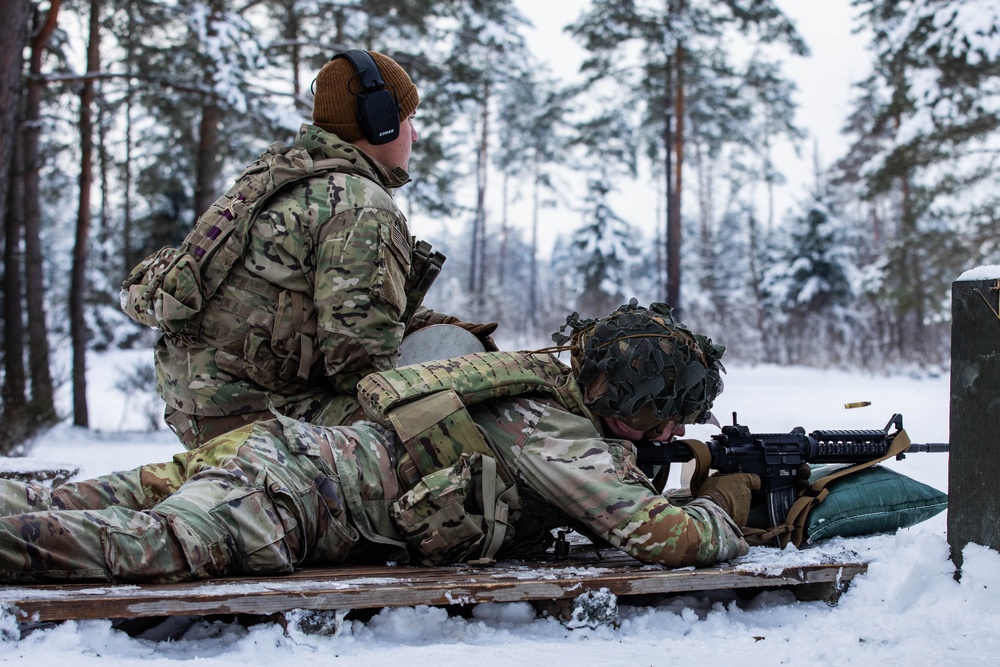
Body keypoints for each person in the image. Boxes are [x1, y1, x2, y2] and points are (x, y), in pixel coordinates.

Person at [0, 302, 758, 584]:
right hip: (283, 500)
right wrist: (724, 505)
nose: (674, 434)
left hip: (275, 456)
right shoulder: (552, 427)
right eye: (667, 417)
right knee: (116, 545)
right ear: (631, 404)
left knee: (58, 499)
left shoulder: (537, 388)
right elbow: (658, 535)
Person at [121, 49, 493, 450]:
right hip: (253, 414)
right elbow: (361, 368)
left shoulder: (287, 175)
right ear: (380, 123)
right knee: (441, 427)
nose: (415, 135)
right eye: (409, 119)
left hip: (196, 402)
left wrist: (448, 329)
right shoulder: (359, 203)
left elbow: (342, 306)